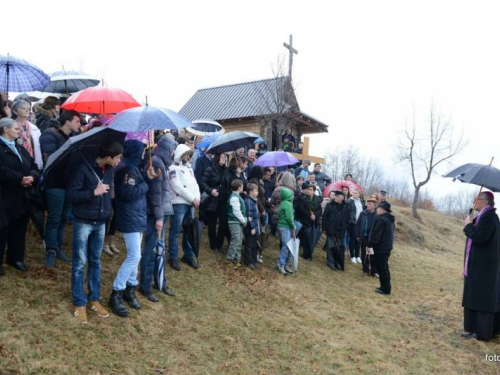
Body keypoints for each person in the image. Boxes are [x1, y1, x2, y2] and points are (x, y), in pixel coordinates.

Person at [66, 141, 123, 323]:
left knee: (95, 262)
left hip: (101, 222)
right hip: (83, 222)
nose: (119, 161)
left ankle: (94, 299)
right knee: (80, 263)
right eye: (118, 158)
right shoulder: (83, 170)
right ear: (108, 157)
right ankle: (79, 302)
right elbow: (72, 195)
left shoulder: (110, 170)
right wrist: (93, 192)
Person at [109, 140, 149, 317]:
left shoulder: (131, 166)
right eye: (141, 152)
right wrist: (145, 184)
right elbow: (127, 193)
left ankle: (130, 289)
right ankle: (116, 292)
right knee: (134, 255)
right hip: (130, 215)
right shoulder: (129, 169)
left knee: (136, 254)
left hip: (136, 215)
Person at [40, 109, 81, 267]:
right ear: (68, 122)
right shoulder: (50, 134)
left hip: (69, 183)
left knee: (64, 217)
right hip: (55, 183)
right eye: (77, 121)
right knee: (54, 218)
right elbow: (49, 159)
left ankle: (58, 246)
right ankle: (50, 249)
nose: (80, 124)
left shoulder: (74, 138)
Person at [139, 136, 177, 302]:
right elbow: (155, 194)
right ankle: (145, 286)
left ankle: (159, 281)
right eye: (173, 149)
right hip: (155, 214)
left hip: (163, 211)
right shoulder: (155, 162)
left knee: (159, 249)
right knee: (151, 249)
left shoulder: (162, 163)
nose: (174, 153)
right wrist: (159, 218)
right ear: (167, 149)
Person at [0, 118, 40, 275]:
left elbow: (33, 165)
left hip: (22, 197)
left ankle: (15, 257)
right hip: (4, 195)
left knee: (19, 227)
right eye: (16, 128)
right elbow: (1, 170)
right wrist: (19, 179)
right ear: (5, 129)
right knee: (2, 229)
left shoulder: (20, 148)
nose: (19, 131)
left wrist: (32, 177)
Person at [462, 191, 500, 341]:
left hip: (483, 268)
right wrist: (471, 221)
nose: (474, 202)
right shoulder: (484, 217)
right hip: (481, 266)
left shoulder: (489, 217)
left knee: (481, 298)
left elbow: (480, 238)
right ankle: (475, 329)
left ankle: (481, 332)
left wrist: (467, 226)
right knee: (476, 296)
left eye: (476, 200)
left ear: (485, 202)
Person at [168, 144, 200, 270]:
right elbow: (177, 187)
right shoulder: (172, 168)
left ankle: (188, 255)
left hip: (190, 203)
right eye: (187, 154)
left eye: (189, 155)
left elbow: (195, 184)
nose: (188, 157)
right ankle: (173, 257)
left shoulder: (190, 169)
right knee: (175, 231)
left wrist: (197, 198)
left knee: (189, 231)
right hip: (179, 203)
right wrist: (193, 198)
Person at [199, 153, 230, 253]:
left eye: (225, 157)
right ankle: (213, 244)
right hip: (212, 200)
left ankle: (219, 243)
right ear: (217, 158)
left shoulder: (226, 170)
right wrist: (211, 190)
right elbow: (202, 182)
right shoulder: (210, 169)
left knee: (223, 222)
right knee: (212, 223)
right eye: (221, 157)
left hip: (223, 200)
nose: (223, 159)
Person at [367, 202, 395, 295]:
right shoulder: (389, 220)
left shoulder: (381, 220)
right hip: (387, 247)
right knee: (384, 268)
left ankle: (385, 289)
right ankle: (385, 287)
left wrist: (370, 244)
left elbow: (376, 235)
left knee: (382, 268)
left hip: (381, 248)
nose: (376, 209)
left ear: (383, 210)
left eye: (378, 208)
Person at [11, 99, 43, 170]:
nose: (27, 110)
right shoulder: (10, 127)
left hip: (33, 162)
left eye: (28, 109)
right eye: (23, 108)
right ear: (15, 111)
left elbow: (38, 146)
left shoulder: (34, 128)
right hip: (17, 163)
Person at [295, 181, 322, 261]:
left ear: (314, 191)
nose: (308, 191)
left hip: (314, 222)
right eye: (307, 189)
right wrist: (310, 215)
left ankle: (309, 254)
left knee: (312, 238)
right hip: (305, 221)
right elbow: (301, 209)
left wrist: (315, 216)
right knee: (305, 238)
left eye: (310, 189)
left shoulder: (317, 199)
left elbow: (319, 210)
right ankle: (306, 254)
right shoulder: (303, 199)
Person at [322, 190, 348, 271]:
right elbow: (325, 217)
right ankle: (330, 262)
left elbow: (347, 218)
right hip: (331, 229)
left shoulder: (345, 206)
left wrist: (344, 228)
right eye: (336, 196)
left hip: (340, 230)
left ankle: (338, 262)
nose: (336, 198)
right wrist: (324, 228)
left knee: (339, 247)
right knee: (330, 246)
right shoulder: (330, 205)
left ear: (342, 198)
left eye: (338, 197)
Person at [226, 179, 247, 268]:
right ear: (239, 188)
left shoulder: (238, 196)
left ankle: (237, 259)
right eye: (242, 186)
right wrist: (243, 220)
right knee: (235, 241)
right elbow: (236, 212)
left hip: (238, 222)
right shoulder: (234, 198)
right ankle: (229, 259)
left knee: (239, 241)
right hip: (234, 222)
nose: (243, 187)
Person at [357, 197, 378, 276]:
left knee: (372, 255)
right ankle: (365, 270)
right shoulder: (363, 213)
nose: (367, 205)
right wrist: (358, 235)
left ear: (374, 206)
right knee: (364, 254)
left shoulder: (377, 215)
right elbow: (358, 224)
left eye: (370, 204)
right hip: (364, 237)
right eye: (367, 203)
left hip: (372, 239)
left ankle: (374, 271)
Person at [277, 187, 296, 275]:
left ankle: (285, 264)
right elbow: (289, 217)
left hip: (283, 226)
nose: (292, 196)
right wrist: (293, 225)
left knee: (287, 245)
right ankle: (281, 264)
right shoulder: (288, 204)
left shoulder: (283, 203)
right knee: (287, 245)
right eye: (291, 195)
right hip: (285, 226)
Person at [243, 183, 260, 269]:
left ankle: (254, 261)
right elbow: (249, 216)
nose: (257, 192)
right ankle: (248, 261)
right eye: (256, 190)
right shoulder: (248, 202)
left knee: (254, 245)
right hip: (250, 229)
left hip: (255, 228)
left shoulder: (254, 201)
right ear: (250, 192)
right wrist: (252, 227)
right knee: (249, 245)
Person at [347, 189, 364, 264]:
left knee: (359, 239)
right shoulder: (349, 201)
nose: (353, 194)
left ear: (359, 194)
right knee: (353, 239)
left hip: (360, 223)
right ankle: (352, 256)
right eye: (353, 192)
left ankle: (357, 256)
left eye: (355, 193)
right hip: (352, 223)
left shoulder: (362, 201)